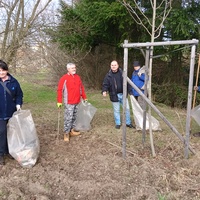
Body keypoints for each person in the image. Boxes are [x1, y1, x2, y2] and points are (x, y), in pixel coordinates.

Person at [0, 60, 23, 165]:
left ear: (7, 70)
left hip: (11, 112)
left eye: (3, 70)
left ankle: (9, 151)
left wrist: (18, 104)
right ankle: (1, 154)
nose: (1, 73)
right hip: (0, 114)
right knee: (2, 132)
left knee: (12, 132)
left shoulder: (14, 82)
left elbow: (19, 94)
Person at [57, 63, 87, 142]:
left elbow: (81, 88)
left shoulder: (77, 77)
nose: (74, 69)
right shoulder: (64, 78)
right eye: (72, 68)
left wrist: (84, 97)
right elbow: (60, 90)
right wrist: (59, 101)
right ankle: (66, 133)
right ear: (68, 69)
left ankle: (72, 131)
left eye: (74, 68)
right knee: (68, 118)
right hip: (69, 102)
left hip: (77, 101)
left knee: (75, 117)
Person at [102, 60, 134, 129]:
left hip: (123, 95)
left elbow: (128, 83)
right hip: (114, 95)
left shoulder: (123, 73)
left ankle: (128, 123)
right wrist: (104, 91)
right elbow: (105, 84)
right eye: (112, 65)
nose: (113, 66)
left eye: (115, 65)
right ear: (110, 66)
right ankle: (118, 123)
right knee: (116, 110)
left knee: (127, 109)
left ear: (118, 66)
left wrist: (130, 92)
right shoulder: (108, 75)